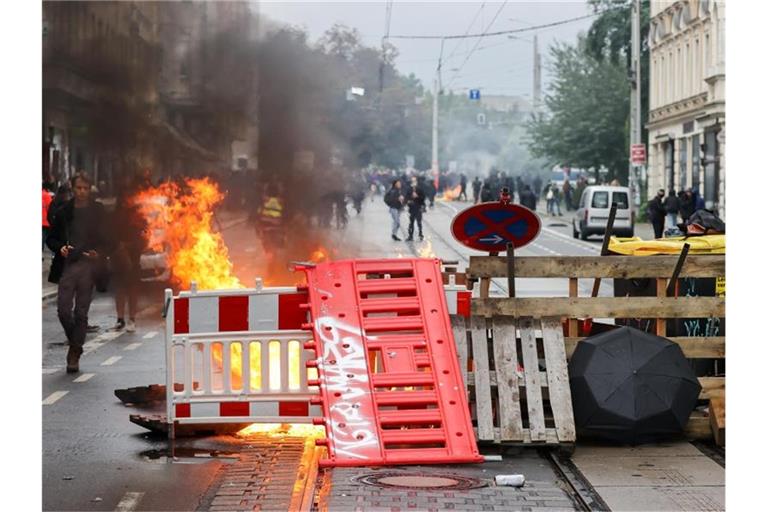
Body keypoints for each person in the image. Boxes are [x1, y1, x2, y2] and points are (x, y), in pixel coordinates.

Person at [46, 173, 109, 373]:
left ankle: (74, 353)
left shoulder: (98, 211)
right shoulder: (64, 211)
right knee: (63, 310)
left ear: (90, 189)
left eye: (85, 188)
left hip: (89, 267)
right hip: (68, 266)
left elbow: (109, 237)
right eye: (78, 188)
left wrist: (99, 252)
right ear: (73, 188)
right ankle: (76, 342)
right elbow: (52, 238)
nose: (82, 191)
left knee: (81, 312)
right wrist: (60, 248)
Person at [110, 178, 147, 332]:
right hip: (118, 256)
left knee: (132, 288)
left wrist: (130, 246)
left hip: (134, 256)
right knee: (120, 288)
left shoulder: (139, 216)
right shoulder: (115, 216)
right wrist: (118, 247)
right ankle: (120, 318)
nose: (126, 200)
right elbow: (109, 235)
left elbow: (144, 238)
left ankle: (132, 318)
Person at [42, 183, 53, 253]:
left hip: (44, 221)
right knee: (43, 238)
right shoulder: (47, 195)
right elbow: (50, 208)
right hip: (45, 221)